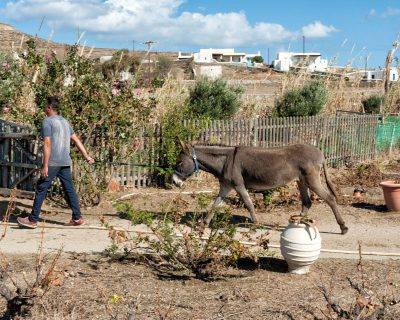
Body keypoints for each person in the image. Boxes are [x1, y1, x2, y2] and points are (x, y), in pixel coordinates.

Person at [17, 96, 94, 229]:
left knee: (41, 188)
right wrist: (87, 156)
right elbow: (76, 140)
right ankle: (77, 218)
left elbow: (47, 143)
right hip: (65, 162)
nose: (44, 109)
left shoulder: (47, 121)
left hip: (53, 162)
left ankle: (32, 220)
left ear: (49, 108)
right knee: (69, 189)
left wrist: (45, 165)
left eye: (45, 106)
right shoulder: (65, 121)